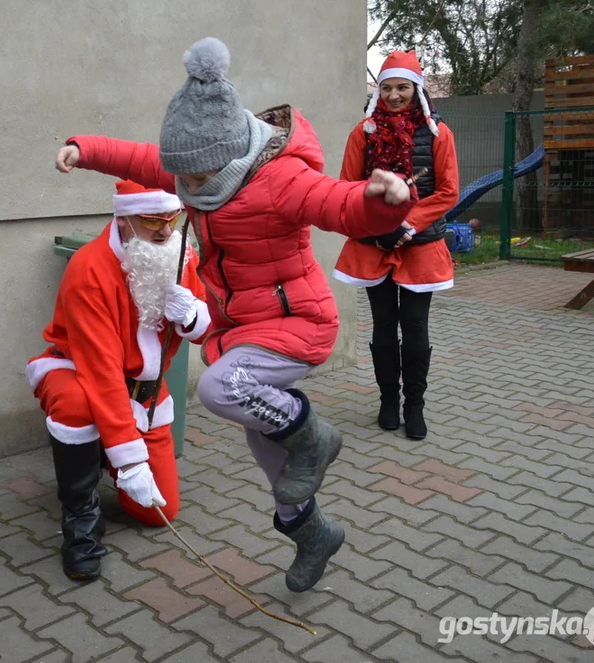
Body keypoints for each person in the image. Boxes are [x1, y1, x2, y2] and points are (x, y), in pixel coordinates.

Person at [54, 37, 416, 592]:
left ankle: (315, 437)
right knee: (259, 432)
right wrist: (84, 148)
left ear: (228, 158)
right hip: (245, 327)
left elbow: (336, 203)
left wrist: (379, 198)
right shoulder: (190, 170)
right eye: (184, 182)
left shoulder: (280, 178)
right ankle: (310, 529)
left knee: (220, 389)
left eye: (199, 181)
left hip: (299, 322)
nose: (189, 192)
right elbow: (135, 157)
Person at [26, 180, 210, 581]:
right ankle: (81, 522)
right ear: (123, 218)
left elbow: (201, 330)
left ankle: (105, 453)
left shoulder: (178, 254)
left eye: (173, 218)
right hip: (77, 372)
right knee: (76, 405)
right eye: (151, 220)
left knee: (161, 513)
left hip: (144, 392)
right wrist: (130, 458)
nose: (165, 231)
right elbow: (101, 370)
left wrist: (192, 316)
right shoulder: (89, 268)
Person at [333, 50, 459, 440]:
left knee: (415, 327)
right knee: (384, 326)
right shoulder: (363, 133)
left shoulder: (439, 132)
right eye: (386, 87)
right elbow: (348, 187)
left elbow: (447, 191)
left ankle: (414, 405)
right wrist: (377, 225)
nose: (394, 95)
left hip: (420, 244)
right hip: (374, 244)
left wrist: (406, 223)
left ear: (416, 89)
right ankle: (388, 400)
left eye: (402, 87)